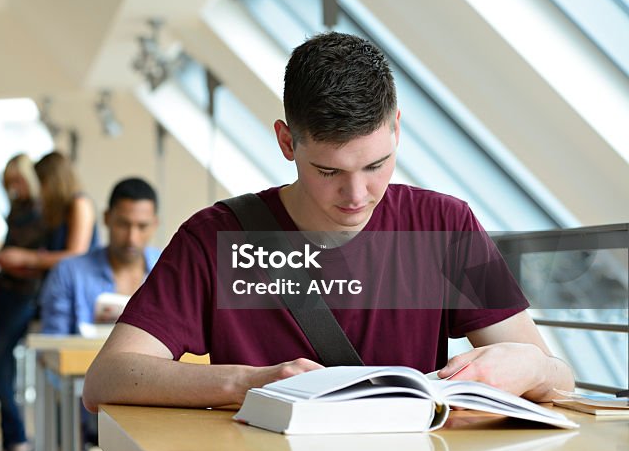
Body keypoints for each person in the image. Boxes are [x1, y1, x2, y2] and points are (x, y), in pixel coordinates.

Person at [82, 32, 574, 413]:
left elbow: (560, 379)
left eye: (376, 165)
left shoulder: (446, 225)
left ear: (397, 128)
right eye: (329, 171)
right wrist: (249, 383)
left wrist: (530, 365)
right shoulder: (215, 238)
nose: (357, 195)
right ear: (286, 142)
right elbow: (107, 379)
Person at [0, 151, 100, 451]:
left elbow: (75, 256)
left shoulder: (79, 204)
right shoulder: (58, 211)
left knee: (66, 392)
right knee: (51, 390)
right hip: (52, 305)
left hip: (74, 308)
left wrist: (26, 259)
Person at [39, 177, 161, 336]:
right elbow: (52, 348)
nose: (132, 237)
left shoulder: (171, 271)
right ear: (106, 218)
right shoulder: (68, 273)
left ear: (155, 224)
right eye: (123, 224)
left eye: (142, 226)